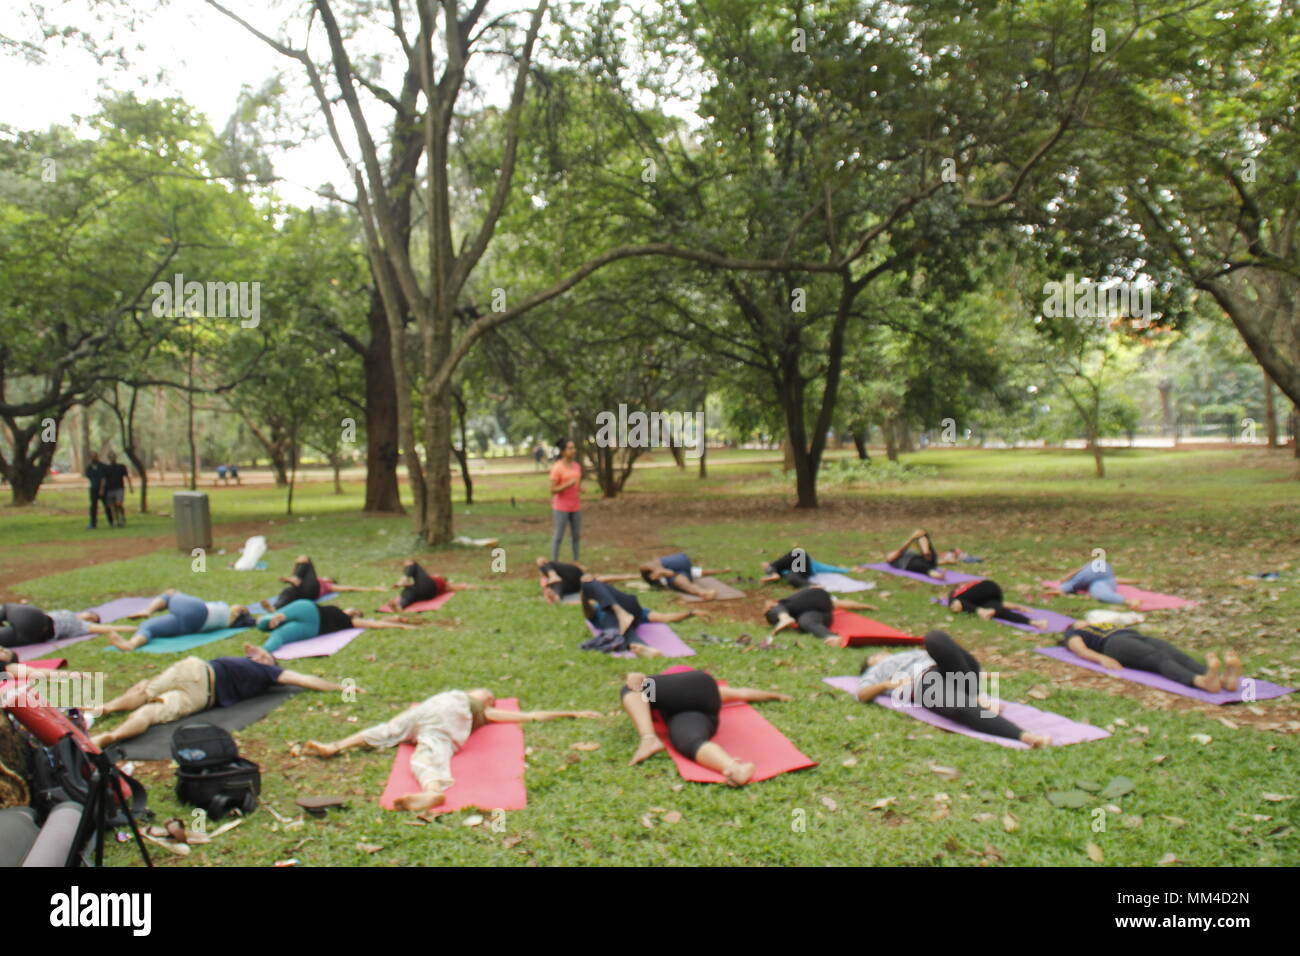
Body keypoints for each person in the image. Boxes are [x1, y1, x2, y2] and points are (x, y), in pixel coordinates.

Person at [302, 689, 602, 812]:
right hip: (427, 712)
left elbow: (532, 715)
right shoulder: (464, 698)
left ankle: (432, 790)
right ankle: (334, 746)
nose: (489, 694)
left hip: (444, 717)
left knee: (430, 752)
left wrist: (573, 713)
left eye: (491, 697)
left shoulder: (479, 709)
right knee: (387, 731)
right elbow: (531, 715)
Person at [88, 643, 348, 748]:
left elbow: (303, 679)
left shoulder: (268, 671)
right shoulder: (253, 665)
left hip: (198, 678)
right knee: (145, 698)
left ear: (271, 662)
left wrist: (340, 688)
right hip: (199, 685)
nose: (257, 654)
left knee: (147, 700)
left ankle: (103, 725)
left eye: (264, 655)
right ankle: (102, 722)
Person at [853, 630, 1052, 747]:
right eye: (874, 657)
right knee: (961, 707)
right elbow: (862, 695)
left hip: (950, 670)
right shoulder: (877, 670)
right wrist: (886, 684)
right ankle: (1025, 736)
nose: (880, 654)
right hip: (925, 682)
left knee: (934, 638)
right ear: (871, 664)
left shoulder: (911, 653)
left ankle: (976, 696)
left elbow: (952, 659)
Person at [620, 669, 792, 786]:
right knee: (689, 742)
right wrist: (775, 696)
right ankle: (735, 769)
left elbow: (638, 682)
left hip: (699, 686)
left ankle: (648, 738)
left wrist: (776, 695)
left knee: (630, 688)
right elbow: (742, 693)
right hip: (695, 712)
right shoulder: (662, 704)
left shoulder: (673, 680)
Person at [1058, 621, 1240, 692]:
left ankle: (1221, 679)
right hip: (1113, 645)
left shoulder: (1098, 624)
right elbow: (1080, 651)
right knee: (1158, 658)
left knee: (1176, 654)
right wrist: (1102, 659)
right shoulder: (1072, 633)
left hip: (1131, 636)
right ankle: (1198, 680)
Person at [579, 579, 703, 657]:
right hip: (625, 619)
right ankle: (644, 648)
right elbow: (665, 618)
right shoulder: (598, 615)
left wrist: (690, 613)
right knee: (623, 630)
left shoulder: (598, 613)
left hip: (625, 607)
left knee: (589, 584)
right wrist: (691, 613)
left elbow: (666, 617)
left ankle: (620, 613)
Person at [108, 589, 255, 652]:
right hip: (192, 626)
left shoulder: (225, 608)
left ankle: (147, 610)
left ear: (239, 611)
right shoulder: (225, 624)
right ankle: (131, 644)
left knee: (170, 594)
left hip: (198, 610)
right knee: (148, 627)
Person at [255, 601, 416, 653]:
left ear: (355, 615)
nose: (353, 610)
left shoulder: (348, 621)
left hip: (311, 623)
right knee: (270, 626)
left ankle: (263, 648)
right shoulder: (340, 612)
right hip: (308, 612)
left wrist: (401, 627)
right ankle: (275, 616)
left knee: (279, 635)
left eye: (356, 612)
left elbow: (375, 624)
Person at [0, 605, 136, 658]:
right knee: (5, 609)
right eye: (91, 613)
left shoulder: (81, 626)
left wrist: (135, 628)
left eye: (94, 618)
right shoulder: (68, 612)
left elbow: (107, 629)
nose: (90, 616)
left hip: (36, 629)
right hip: (31, 616)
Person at [762, 587, 880, 646]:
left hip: (817, 595)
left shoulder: (790, 602)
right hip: (822, 614)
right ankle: (831, 636)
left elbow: (842, 603)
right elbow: (841, 604)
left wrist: (868, 606)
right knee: (806, 622)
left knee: (779, 606)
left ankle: (784, 618)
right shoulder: (798, 613)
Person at [270, 555, 388, 610]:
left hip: (312, 590)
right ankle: (275, 607)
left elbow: (350, 588)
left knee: (306, 559)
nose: (326, 578)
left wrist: (373, 589)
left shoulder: (328, 585)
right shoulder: (311, 579)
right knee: (287, 591)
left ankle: (295, 579)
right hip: (302, 592)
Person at [387, 560, 498, 610]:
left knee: (414, 564)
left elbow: (467, 586)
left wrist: (491, 587)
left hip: (430, 588)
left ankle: (404, 579)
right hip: (425, 594)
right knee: (408, 592)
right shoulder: (428, 581)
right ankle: (400, 606)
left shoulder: (446, 584)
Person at [947, 579, 1048, 630]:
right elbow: (1001, 603)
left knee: (957, 601)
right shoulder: (973, 600)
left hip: (986, 586)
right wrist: (1018, 607)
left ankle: (981, 612)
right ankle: (1033, 622)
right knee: (998, 611)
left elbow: (957, 606)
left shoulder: (956, 595)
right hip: (994, 590)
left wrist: (953, 601)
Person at [1047, 559, 1142, 609]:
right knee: (1101, 594)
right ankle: (1130, 601)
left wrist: (1067, 578)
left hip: (1097, 567)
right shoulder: (1093, 584)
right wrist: (1136, 581)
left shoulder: (1079, 577)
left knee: (1072, 584)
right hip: (1103, 579)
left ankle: (1061, 590)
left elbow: (1081, 571)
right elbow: (1115, 580)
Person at [535, 558, 635, 604]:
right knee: (556, 585)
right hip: (569, 586)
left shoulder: (549, 568)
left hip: (570, 580)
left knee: (546, 566)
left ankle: (554, 578)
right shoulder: (551, 584)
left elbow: (540, 560)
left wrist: (628, 576)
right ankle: (556, 594)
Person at [639, 553, 732, 600]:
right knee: (681, 582)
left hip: (670, 565)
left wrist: (724, 570)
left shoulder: (654, 567)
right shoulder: (682, 575)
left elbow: (644, 566)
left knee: (649, 566)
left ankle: (659, 570)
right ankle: (702, 592)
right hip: (678, 571)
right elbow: (702, 572)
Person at [549, 438, 582, 561]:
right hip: (561, 507)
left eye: (574, 448)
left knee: (576, 536)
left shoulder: (577, 466)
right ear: (563, 451)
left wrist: (579, 489)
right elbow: (552, 490)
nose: (574, 450)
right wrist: (567, 485)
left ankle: (576, 561)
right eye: (570, 448)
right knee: (558, 536)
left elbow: (577, 483)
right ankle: (554, 562)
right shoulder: (557, 467)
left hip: (576, 506)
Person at [880, 528, 962, 579]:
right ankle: (926, 552)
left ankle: (926, 551)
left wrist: (947, 562)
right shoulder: (891, 559)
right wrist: (912, 538)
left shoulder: (903, 556)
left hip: (925, 560)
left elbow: (929, 567)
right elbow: (900, 551)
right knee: (926, 568)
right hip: (916, 562)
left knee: (922, 535)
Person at [760, 549, 855, 588]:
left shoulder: (812, 563)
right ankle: (771, 571)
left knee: (798, 552)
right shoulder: (787, 566)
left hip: (802, 570)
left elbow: (830, 568)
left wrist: (848, 570)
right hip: (794, 572)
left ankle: (771, 569)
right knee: (792, 578)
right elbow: (830, 568)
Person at [101, 452, 131, 527]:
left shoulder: (121, 467)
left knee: (119, 504)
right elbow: (104, 479)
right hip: (109, 489)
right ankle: (115, 520)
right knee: (112, 506)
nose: (112, 458)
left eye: (113, 457)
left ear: (116, 457)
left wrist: (130, 487)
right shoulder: (106, 468)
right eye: (111, 457)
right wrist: (101, 489)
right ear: (109, 459)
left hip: (119, 488)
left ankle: (122, 518)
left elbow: (127, 477)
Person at [84, 452, 107, 530]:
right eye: (92, 457)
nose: (93, 458)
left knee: (107, 506)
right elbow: (89, 476)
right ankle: (93, 523)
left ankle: (111, 521)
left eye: (95, 456)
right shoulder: (89, 468)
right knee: (93, 506)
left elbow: (104, 478)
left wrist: (102, 489)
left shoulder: (102, 466)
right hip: (93, 489)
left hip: (103, 489)